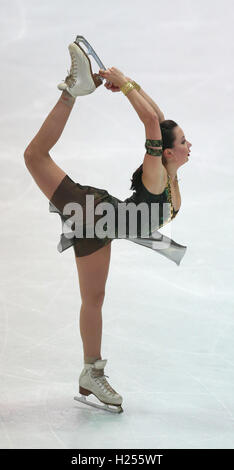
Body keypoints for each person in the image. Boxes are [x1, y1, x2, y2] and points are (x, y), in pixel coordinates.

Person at [23, 39, 192, 414]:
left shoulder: (167, 171)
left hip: (103, 224)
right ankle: (72, 91)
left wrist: (128, 83)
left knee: (93, 300)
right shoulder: (154, 175)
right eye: (183, 142)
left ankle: (91, 372)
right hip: (94, 214)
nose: (188, 144)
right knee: (34, 156)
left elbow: (157, 118)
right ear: (166, 153)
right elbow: (151, 123)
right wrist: (125, 86)